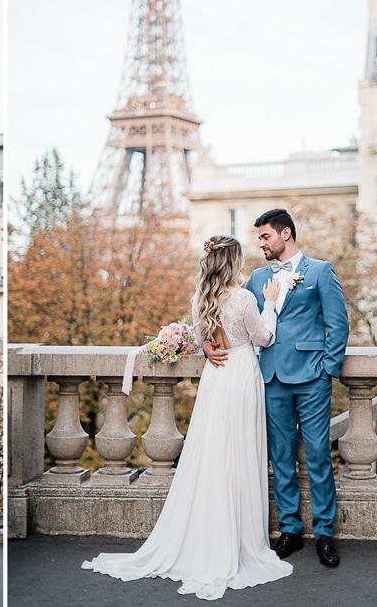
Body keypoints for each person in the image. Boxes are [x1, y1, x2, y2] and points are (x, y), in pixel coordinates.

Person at [83, 235, 293, 601]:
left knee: (211, 454)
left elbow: (201, 341)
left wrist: (209, 346)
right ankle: (239, 540)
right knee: (240, 455)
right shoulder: (244, 298)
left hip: (215, 378)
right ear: (233, 262)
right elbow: (264, 339)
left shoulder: (201, 299)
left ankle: (206, 536)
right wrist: (272, 303)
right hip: (242, 374)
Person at [205, 208, 349, 568]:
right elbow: (223, 314)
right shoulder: (255, 278)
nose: (261, 244)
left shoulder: (320, 271)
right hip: (268, 378)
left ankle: (326, 533)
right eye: (259, 238)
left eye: (266, 236)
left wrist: (326, 370)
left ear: (286, 234)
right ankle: (290, 530)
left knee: (317, 454)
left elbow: (338, 324)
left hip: (312, 378)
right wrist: (206, 343)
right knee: (280, 457)